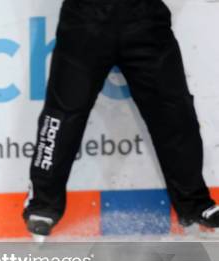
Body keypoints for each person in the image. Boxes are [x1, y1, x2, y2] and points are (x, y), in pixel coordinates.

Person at [24, 0, 219, 238]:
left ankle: (195, 205)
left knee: (174, 112)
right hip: (84, 18)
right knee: (63, 115)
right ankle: (42, 204)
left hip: (146, 19)